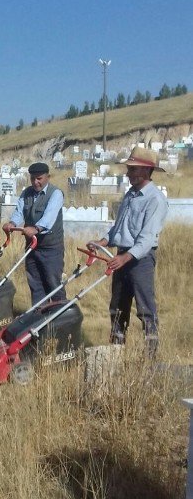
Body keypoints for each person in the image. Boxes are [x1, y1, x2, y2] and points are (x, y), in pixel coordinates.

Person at [87, 147, 168, 355]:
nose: (128, 173)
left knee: (145, 309)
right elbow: (120, 227)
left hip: (140, 260)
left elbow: (147, 237)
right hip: (122, 255)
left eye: (132, 169)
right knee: (118, 307)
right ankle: (116, 352)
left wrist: (125, 257)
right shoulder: (130, 195)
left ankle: (150, 357)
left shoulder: (155, 199)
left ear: (144, 170)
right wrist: (104, 241)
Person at [3, 161, 66, 305]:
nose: (35, 182)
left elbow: (49, 217)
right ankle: (39, 316)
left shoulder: (55, 194)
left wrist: (36, 229)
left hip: (51, 248)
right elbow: (19, 212)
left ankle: (60, 318)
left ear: (47, 177)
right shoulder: (27, 193)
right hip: (32, 246)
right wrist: (12, 224)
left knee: (53, 283)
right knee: (35, 284)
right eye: (33, 178)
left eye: (39, 178)